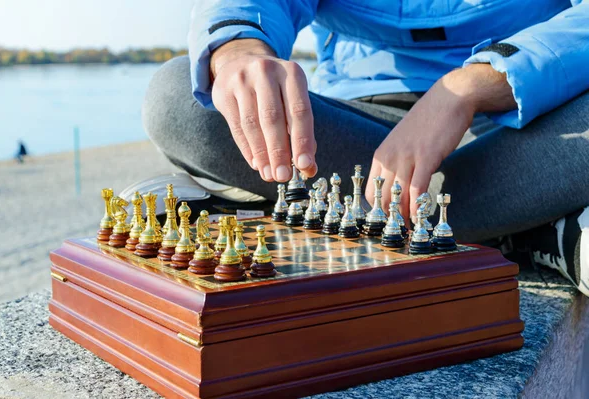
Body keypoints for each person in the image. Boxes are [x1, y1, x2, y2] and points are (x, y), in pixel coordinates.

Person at [143, 0, 589, 295]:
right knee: (176, 97)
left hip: (520, 116)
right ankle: (527, 223)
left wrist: (473, 84)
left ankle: (340, 217)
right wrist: (238, 48)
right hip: (362, 133)